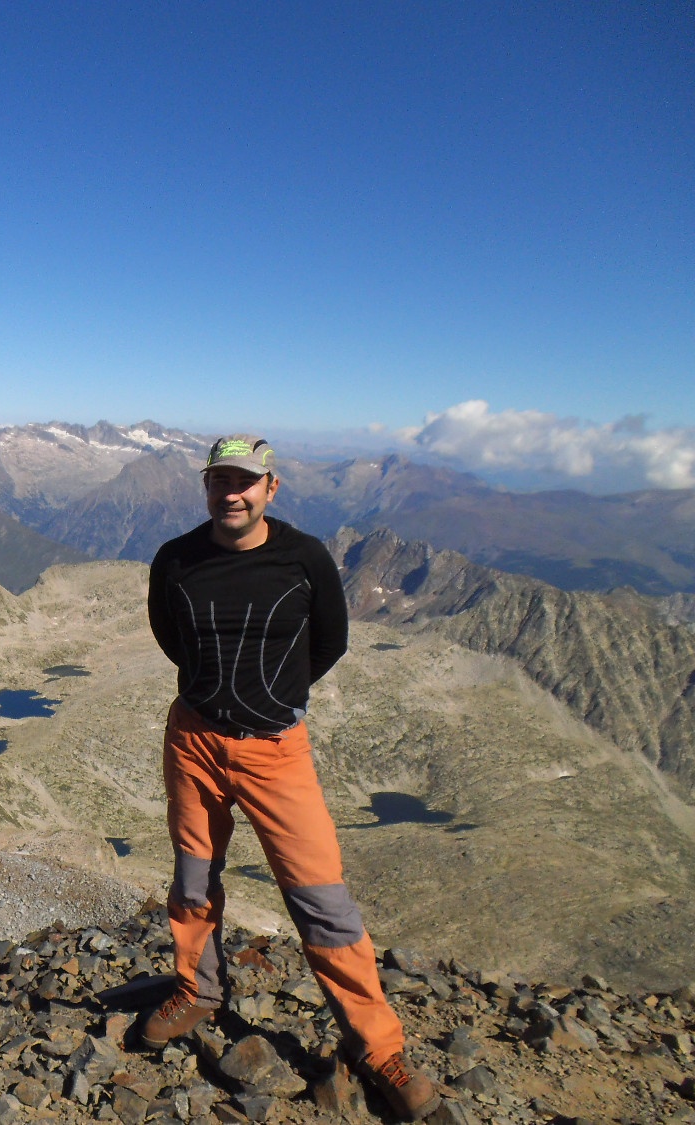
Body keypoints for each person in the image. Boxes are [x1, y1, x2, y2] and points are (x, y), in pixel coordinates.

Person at [142, 434, 439, 1122]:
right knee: (193, 877)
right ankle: (197, 989)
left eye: (245, 481)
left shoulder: (304, 559)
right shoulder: (176, 560)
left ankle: (378, 1047)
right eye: (221, 480)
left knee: (320, 897)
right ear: (206, 486)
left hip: (276, 750)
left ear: (270, 488)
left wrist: (272, 701)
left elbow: (329, 641)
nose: (233, 493)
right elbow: (171, 637)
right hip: (193, 740)